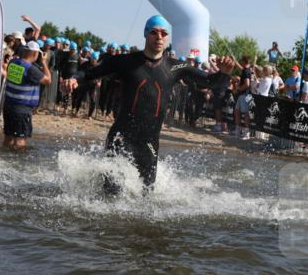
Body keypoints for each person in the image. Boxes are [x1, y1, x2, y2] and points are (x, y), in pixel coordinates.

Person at [69, 14, 235, 193]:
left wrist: (224, 74)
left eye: (164, 33)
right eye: (154, 32)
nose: (159, 37)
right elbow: (90, 73)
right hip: (120, 136)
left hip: (149, 142)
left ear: (167, 38)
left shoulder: (176, 67)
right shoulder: (126, 61)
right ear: (146, 34)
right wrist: (73, 79)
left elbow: (210, 81)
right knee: (111, 193)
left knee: (146, 196)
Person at [2, 41, 51, 149]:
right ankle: (19, 162)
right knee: (20, 140)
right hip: (22, 110)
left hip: (9, 106)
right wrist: (43, 62)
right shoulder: (31, 69)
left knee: (8, 137)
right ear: (35, 53)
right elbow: (48, 80)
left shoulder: (13, 62)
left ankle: (3, 157)